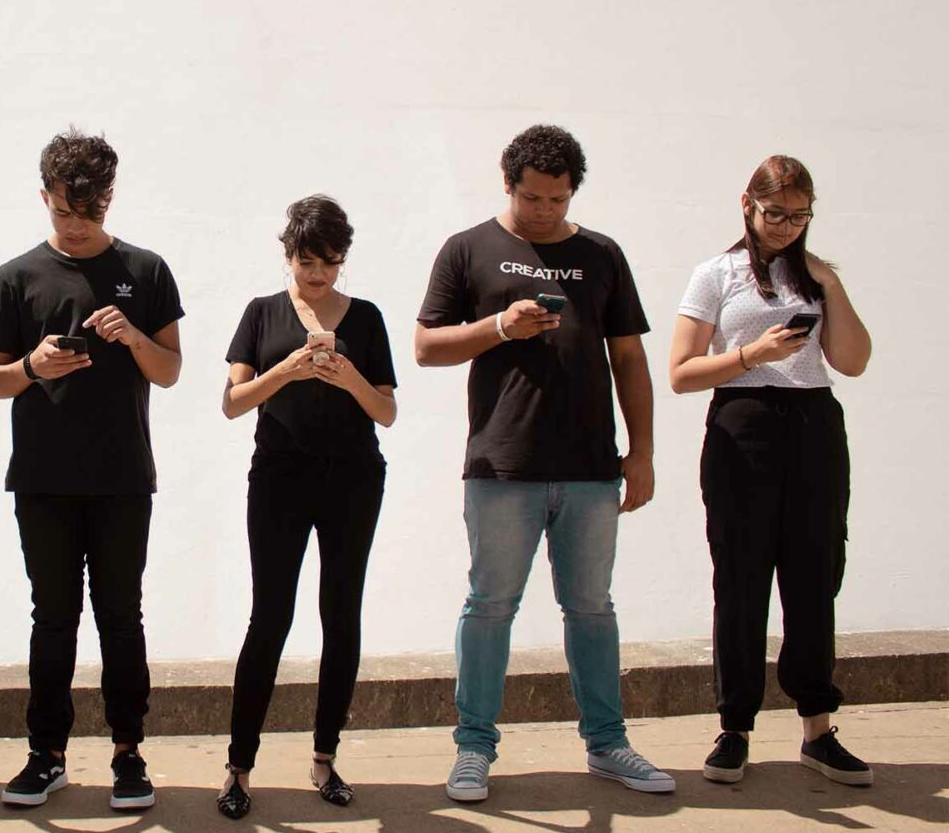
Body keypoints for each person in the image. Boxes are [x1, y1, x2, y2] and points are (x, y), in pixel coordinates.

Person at [414, 124, 675, 801]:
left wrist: (641, 452)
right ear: (509, 184)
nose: (545, 211)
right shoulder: (468, 249)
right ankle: (474, 750)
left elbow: (630, 359)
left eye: (557, 199)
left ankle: (608, 744)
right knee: (490, 606)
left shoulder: (602, 254)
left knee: (592, 608)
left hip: (591, 468)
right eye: (533, 197)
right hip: (503, 466)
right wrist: (501, 326)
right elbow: (426, 347)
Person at [0, 128, 183, 812]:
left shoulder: (147, 271)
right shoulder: (16, 276)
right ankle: (47, 755)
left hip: (124, 477)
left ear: (109, 199)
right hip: (42, 478)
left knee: (122, 617)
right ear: (45, 196)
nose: (76, 224)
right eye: (64, 211)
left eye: (88, 212)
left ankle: (129, 753)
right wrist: (33, 366)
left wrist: (133, 336)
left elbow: (172, 370)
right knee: (52, 618)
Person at [669, 155, 873, 786]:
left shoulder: (814, 275)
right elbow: (679, 372)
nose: (786, 226)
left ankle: (817, 727)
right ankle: (735, 727)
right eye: (775, 213)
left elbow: (853, 360)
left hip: (815, 425)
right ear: (747, 206)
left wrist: (828, 284)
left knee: (816, 576)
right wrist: (752, 353)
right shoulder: (716, 274)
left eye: (799, 215)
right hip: (743, 423)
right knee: (741, 575)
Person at [214, 196, 397, 820]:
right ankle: (239, 766)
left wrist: (349, 378)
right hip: (279, 479)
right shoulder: (262, 314)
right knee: (270, 616)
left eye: (331, 262)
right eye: (307, 261)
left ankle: (325, 758)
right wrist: (289, 368)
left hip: (352, 479)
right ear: (286, 254)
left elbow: (387, 411)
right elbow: (233, 402)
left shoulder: (367, 319)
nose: (319, 274)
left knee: (341, 614)